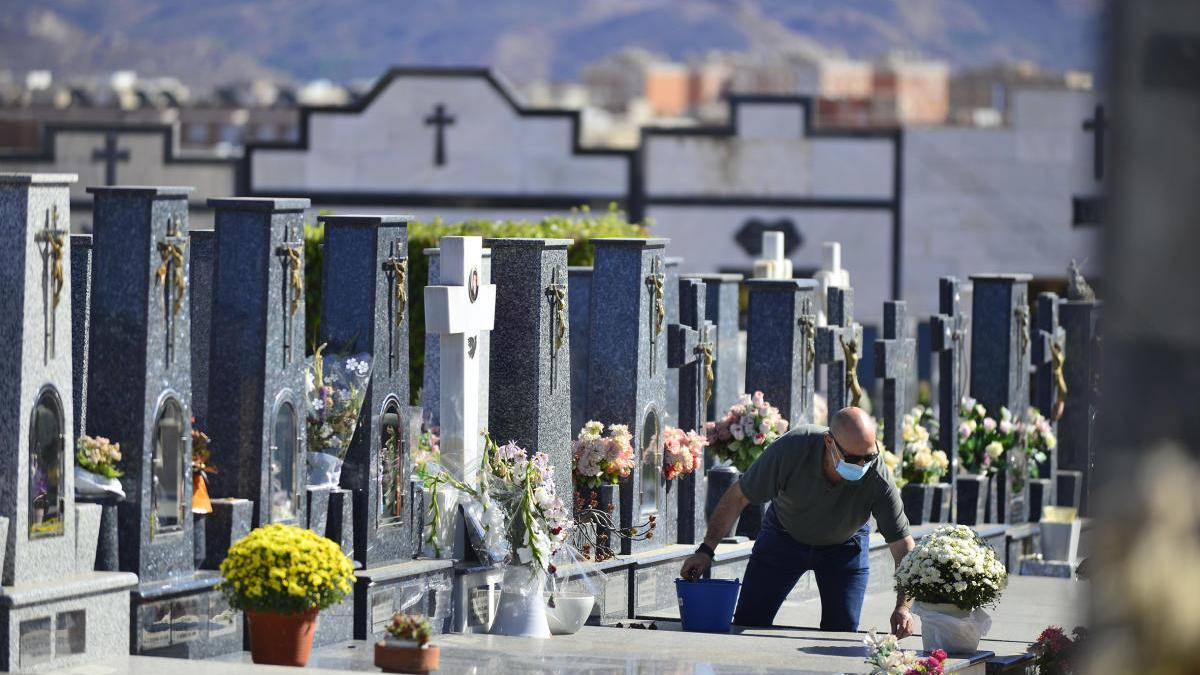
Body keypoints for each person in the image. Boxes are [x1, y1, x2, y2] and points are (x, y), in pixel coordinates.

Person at [680, 407, 916, 637]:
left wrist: (903, 607)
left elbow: (903, 546)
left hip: (845, 547)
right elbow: (738, 496)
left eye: (870, 456)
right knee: (748, 622)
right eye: (853, 458)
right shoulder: (793, 448)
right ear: (829, 442)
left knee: (842, 635)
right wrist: (706, 551)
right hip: (782, 538)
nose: (862, 465)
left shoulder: (877, 477)